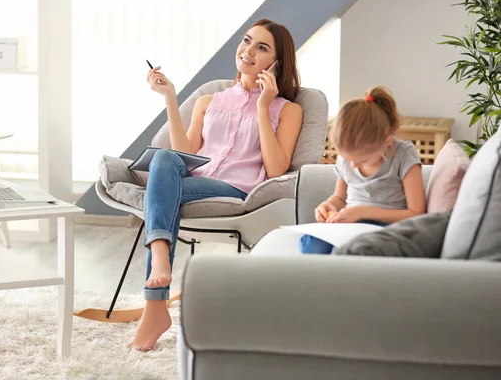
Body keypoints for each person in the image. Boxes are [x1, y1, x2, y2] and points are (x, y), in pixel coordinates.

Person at [131, 18, 303, 351]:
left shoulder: (288, 110)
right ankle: (161, 267)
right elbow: (185, 154)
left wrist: (263, 106)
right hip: (193, 182)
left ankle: (155, 302)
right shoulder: (209, 101)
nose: (248, 50)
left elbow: (277, 167)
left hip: (236, 191)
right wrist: (170, 97)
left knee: (163, 185)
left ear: (277, 63)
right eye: (247, 41)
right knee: (164, 159)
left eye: (262, 48)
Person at [299, 86, 426, 254]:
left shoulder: (403, 155)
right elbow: (339, 197)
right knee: (310, 245)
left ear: (387, 142)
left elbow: (416, 213)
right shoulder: (349, 156)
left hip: (387, 226)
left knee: (347, 250)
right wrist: (329, 205)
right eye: (348, 159)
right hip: (350, 220)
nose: (353, 166)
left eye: (362, 160)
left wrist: (361, 212)